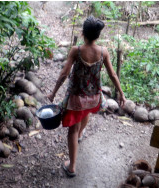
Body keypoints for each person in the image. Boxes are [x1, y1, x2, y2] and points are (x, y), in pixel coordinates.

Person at [48, 16, 126, 178]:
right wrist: (121, 93)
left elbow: (64, 74)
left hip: (77, 99)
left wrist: (53, 92)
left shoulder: (76, 51)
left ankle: (72, 167)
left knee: (72, 131)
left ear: (83, 32)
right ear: (98, 35)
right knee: (86, 113)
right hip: (93, 98)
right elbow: (112, 74)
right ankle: (81, 133)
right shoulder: (103, 52)